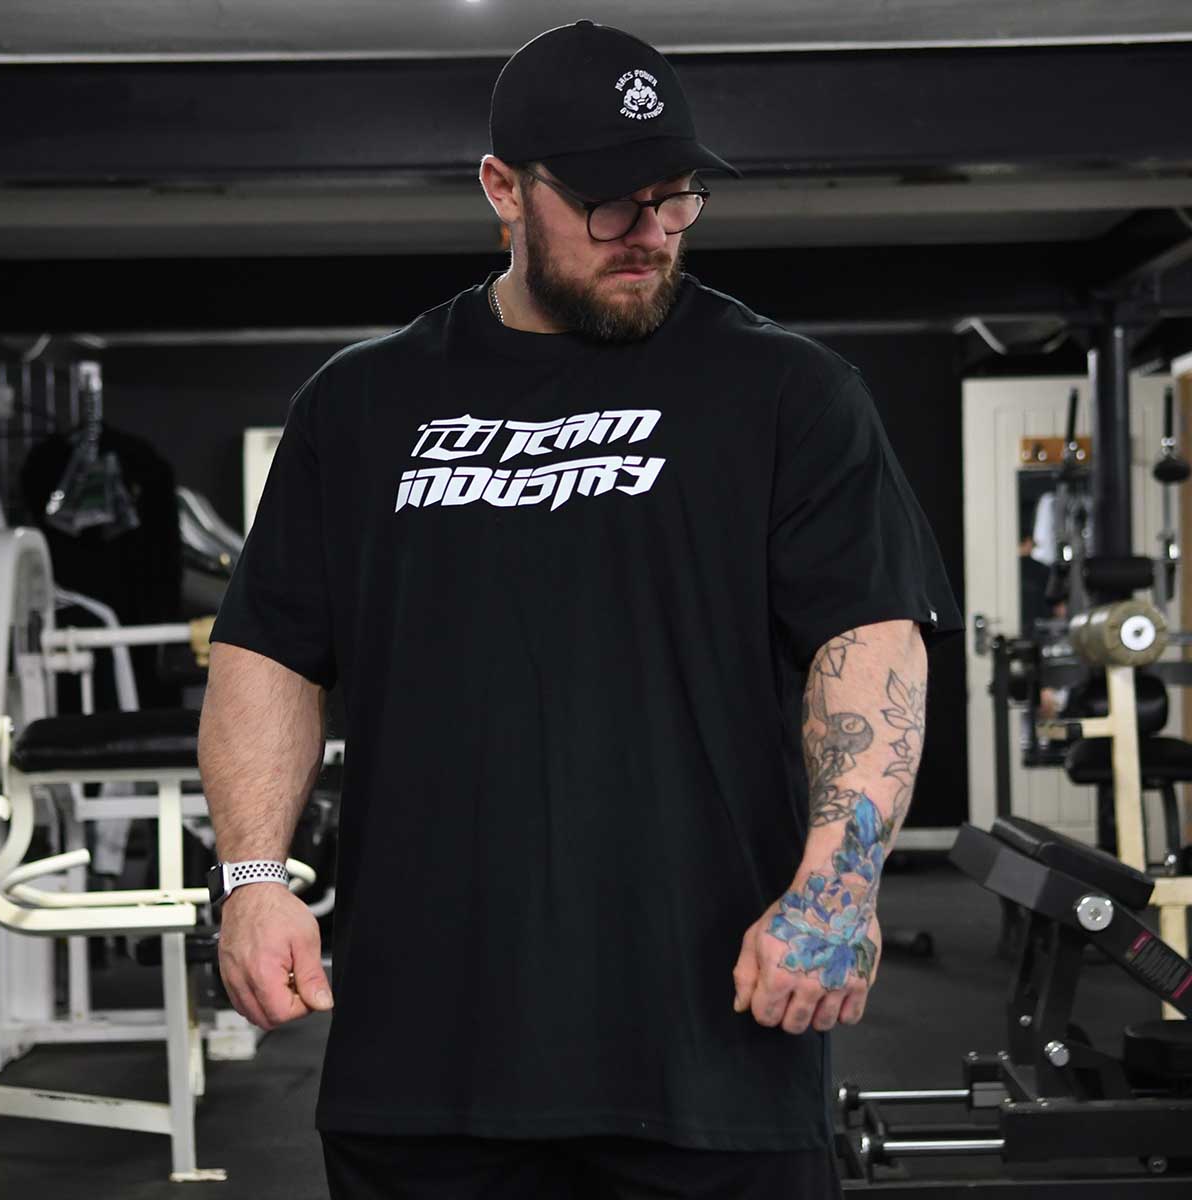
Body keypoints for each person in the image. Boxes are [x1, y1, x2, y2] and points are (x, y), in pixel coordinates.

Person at [198, 19, 964, 1200]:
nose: (649, 232)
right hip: (426, 1058)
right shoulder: (360, 406)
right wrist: (253, 879)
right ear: (504, 189)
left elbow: (867, 638)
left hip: (713, 1050)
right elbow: (270, 653)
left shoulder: (788, 392)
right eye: (610, 204)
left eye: (676, 199)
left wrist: (839, 884)